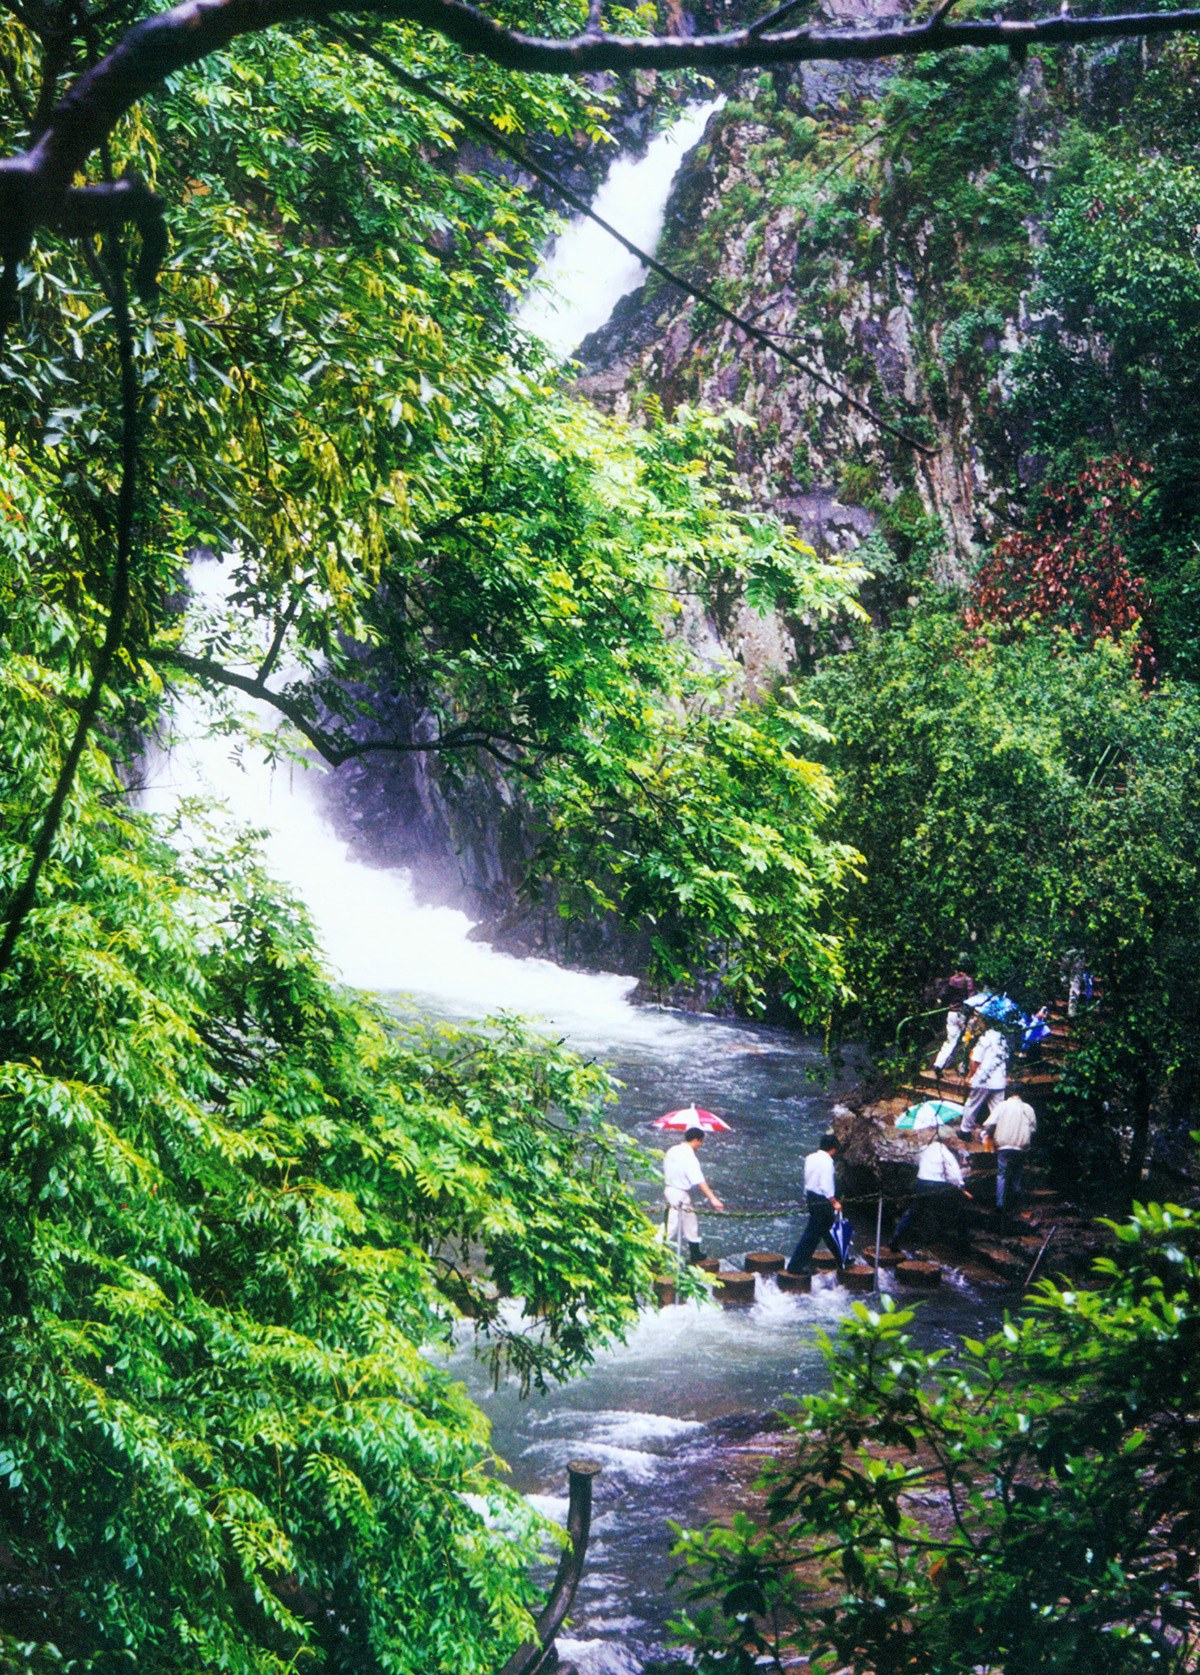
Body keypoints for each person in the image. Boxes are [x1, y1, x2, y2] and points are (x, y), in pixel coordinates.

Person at [894, 1126, 972, 1250]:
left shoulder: (925, 1149)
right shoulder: (945, 1152)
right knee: (959, 1211)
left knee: (914, 1212)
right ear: (947, 1139)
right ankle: (964, 1243)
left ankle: (895, 1239)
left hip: (921, 1183)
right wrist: (960, 1185)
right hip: (937, 1186)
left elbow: (918, 1161)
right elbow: (954, 1175)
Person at [662, 1127, 724, 1264]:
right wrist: (713, 1199)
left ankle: (695, 1252)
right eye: (701, 1142)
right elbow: (699, 1180)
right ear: (696, 1140)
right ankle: (653, 1251)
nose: (701, 1145)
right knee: (671, 1226)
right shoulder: (689, 1157)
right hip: (678, 1193)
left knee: (690, 1220)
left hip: (672, 1189)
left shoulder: (672, 1150)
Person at [785, 1133, 842, 1275]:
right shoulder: (827, 1162)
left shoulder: (810, 1158)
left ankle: (843, 1258)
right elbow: (825, 1185)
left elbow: (808, 1177)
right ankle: (795, 1266)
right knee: (812, 1235)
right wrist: (834, 1201)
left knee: (827, 1230)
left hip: (811, 1196)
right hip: (822, 1199)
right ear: (833, 1149)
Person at [982, 1089, 1037, 1223]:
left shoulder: (1002, 1106)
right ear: (1022, 1094)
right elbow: (1033, 1129)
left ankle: (1000, 1204)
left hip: (1004, 1146)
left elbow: (990, 1124)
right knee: (1017, 1173)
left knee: (1002, 1174)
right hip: (1020, 1146)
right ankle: (1016, 1201)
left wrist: (988, 1135)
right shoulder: (1027, 1108)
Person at [960, 1025, 1008, 1135]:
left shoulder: (985, 1038)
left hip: (983, 1080)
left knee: (972, 1104)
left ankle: (965, 1130)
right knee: (997, 1108)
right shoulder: (1003, 1039)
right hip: (999, 1080)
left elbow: (975, 1061)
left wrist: (970, 1075)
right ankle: (998, 1133)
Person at [933, 1001, 967, 1092]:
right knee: (950, 1047)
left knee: (946, 1046)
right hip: (954, 1031)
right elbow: (961, 1025)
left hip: (951, 1029)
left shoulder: (950, 1012)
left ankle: (938, 1064)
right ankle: (940, 1066)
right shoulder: (957, 1014)